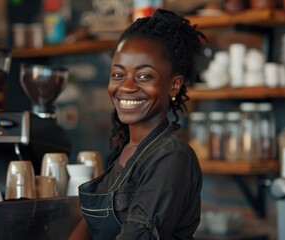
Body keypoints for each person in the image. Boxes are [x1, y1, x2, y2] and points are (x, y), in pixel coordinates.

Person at [69, 8, 207, 240]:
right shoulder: (127, 148)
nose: (127, 87)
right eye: (118, 74)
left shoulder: (171, 156)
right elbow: (89, 224)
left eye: (144, 76)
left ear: (174, 85)